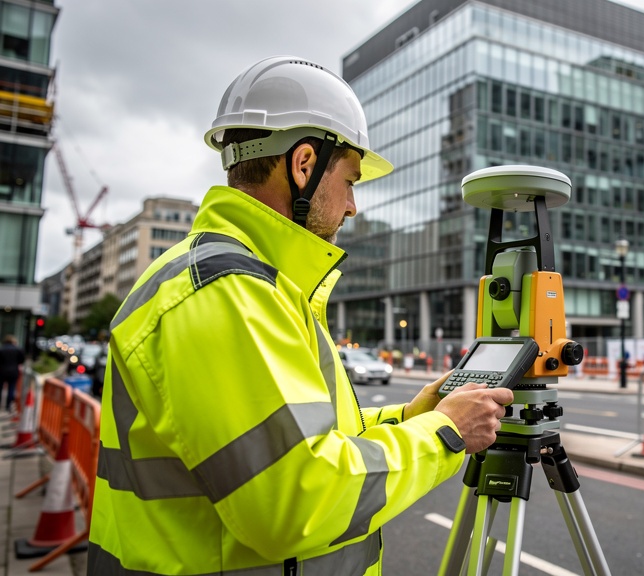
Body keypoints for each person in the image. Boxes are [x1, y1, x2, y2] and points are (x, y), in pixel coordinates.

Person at [88, 57, 514, 575]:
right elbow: (296, 499)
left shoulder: (250, 285)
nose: (353, 206)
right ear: (304, 164)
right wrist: (445, 432)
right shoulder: (227, 292)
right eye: (350, 181)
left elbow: (304, 438)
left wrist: (410, 417)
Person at [0, 335, 25, 412]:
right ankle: (8, 405)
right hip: (13, 371)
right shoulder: (18, 349)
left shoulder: (2, 349)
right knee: (11, 388)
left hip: (1, 371)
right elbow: (22, 360)